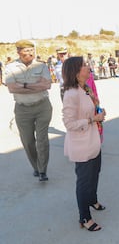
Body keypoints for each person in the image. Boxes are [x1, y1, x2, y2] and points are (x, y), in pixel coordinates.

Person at [61, 57, 106, 232]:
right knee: (84, 182)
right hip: (82, 144)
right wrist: (92, 119)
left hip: (93, 140)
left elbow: (91, 110)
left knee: (95, 173)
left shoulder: (85, 88)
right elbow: (69, 124)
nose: (88, 67)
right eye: (85, 66)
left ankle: (92, 200)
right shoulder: (71, 94)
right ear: (76, 71)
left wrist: (98, 113)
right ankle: (84, 217)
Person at [4, 40, 53, 181]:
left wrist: (22, 85)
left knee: (42, 140)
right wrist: (35, 85)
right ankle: (36, 167)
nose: (30, 54)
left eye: (32, 51)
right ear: (19, 52)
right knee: (28, 141)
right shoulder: (10, 67)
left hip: (42, 106)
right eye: (26, 51)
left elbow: (47, 85)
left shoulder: (41, 65)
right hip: (22, 109)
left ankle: (43, 170)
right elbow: (11, 88)